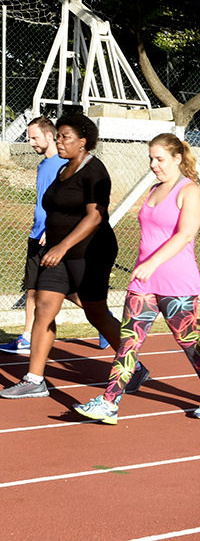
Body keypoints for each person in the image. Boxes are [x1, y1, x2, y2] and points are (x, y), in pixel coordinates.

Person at [72, 134, 200, 424]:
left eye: (160, 159)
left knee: (188, 340)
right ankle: (109, 403)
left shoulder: (189, 190)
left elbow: (185, 234)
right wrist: (146, 265)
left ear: (178, 158)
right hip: (144, 281)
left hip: (176, 281)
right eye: (151, 159)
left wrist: (154, 262)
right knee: (128, 342)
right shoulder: (154, 189)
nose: (154, 164)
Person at [1, 113, 132, 399]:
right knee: (45, 306)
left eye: (65, 137)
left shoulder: (94, 171)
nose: (58, 141)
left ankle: (131, 366)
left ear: (83, 142)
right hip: (57, 252)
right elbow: (56, 209)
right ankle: (35, 379)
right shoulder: (63, 170)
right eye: (58, 136)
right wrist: (51, 240)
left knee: (95, 311)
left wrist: (62, 246)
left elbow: (95, 216)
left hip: (91, 252)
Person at [1, 116, 95, 355]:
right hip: (37, 236)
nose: (30, 142)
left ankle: (102, 316)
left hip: (52, 238)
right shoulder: (43, 165)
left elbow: (72, 204)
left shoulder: (63, 166)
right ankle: (26, 336)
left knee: (63, 291)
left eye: (34, 137)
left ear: (49, 135)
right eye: (29, 137)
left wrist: (50, 230)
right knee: (32, 289)